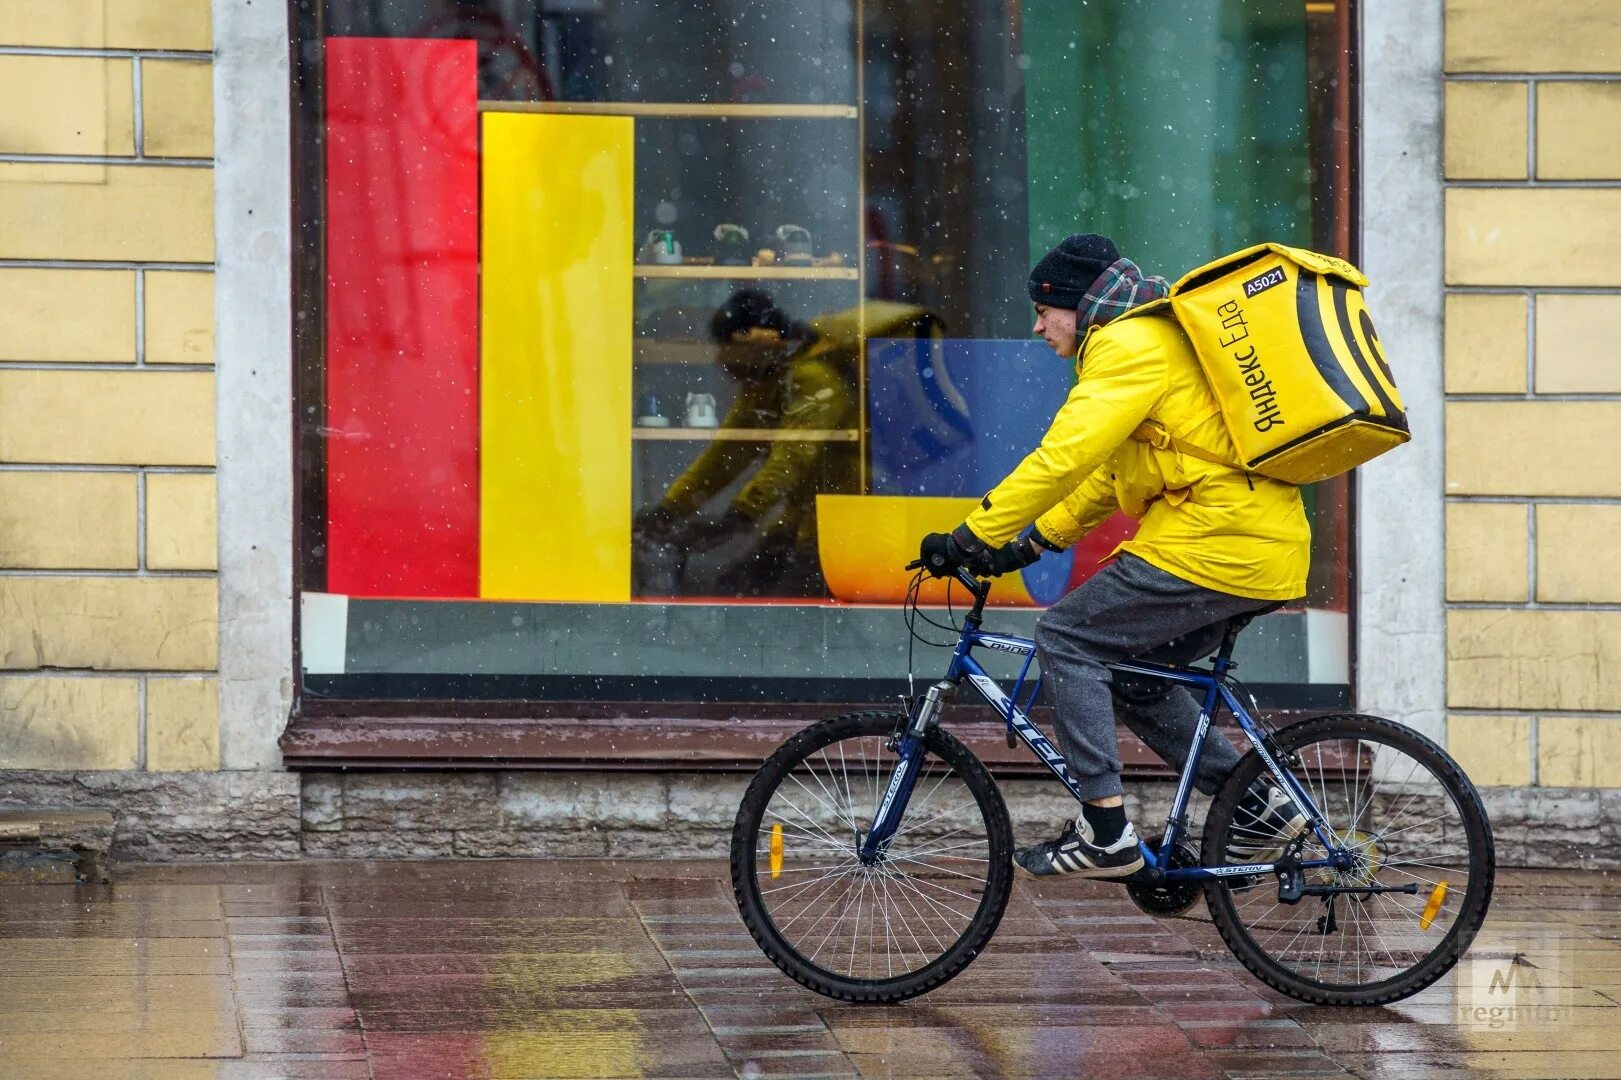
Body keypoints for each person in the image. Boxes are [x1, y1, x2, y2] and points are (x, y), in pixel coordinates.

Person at [917, 234, 1312, 879]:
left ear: (1078, 304)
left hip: (1215, 546)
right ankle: (1257, 807)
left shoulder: (1127, 347)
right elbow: (1106, 477)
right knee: (1134, 676)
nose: (1038, 324)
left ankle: (1105, 829)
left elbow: (1062, 456)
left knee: (1067, 636)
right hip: (1253, 547)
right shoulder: (1151, 342)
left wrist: (972, 535)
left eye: (1045, 309)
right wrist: (1033, 541)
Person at [634, 290, 861, 597]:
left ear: (758, 339)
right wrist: (669, 510)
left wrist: (737, 518)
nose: (721, 358)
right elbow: (725, 454)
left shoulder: (813, 377)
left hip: (840, 523)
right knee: (740, 585)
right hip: (803, 515)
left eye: (728, 346)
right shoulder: (766, 382)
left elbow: (790, 458)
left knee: (772, 595)